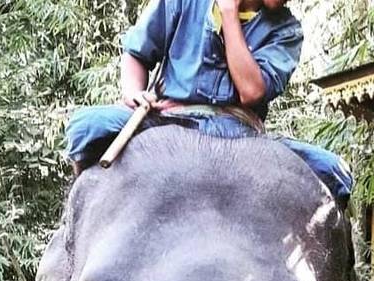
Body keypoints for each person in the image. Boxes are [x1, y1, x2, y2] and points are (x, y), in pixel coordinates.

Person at [65, 0, 352, 205]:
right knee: (85, 127)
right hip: (168, 118)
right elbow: (136, 54)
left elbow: (250, 92)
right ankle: (77, 229)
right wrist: (132, 92)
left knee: (334, 171)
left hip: (238, 133)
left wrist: (229, 14)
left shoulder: (286, 31)